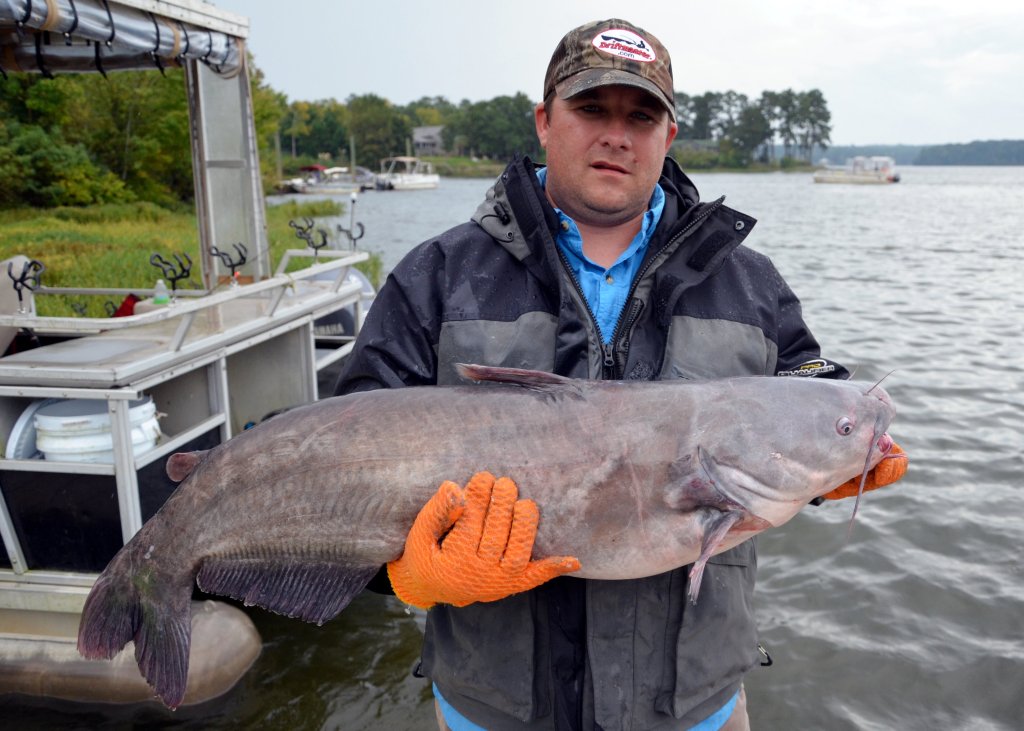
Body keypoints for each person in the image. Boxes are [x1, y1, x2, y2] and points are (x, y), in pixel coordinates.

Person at [335, 18, 905, 731]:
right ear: (545, 121)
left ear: (669, 137)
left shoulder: (748, 282)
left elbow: (808, 375)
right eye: (591, 109)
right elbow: (345, 445)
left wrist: (844, 439)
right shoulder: (438, 275)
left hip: (693, 705)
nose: (617, 134)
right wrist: (401, 577)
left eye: (642, 116)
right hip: (496, 707)